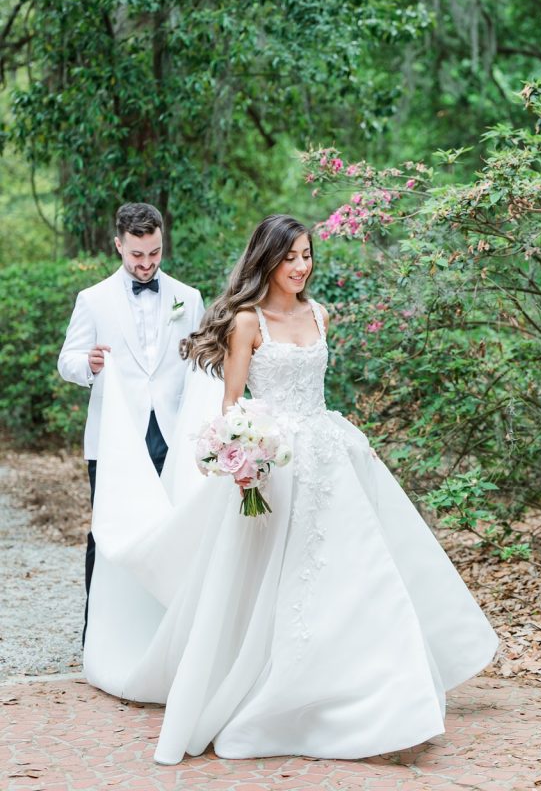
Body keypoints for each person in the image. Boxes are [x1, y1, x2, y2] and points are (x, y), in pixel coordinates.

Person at [82, 214, 498, 765]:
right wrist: (243, 457)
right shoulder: (247, 322)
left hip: (330, 461)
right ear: (268, 260)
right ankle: (276, 695)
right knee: (278, 587)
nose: (302, 267)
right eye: (290, 257)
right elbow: (232, 406)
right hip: (274, 468)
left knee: (361, 573)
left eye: (306, 255)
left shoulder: (321, 314)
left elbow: (316, 393)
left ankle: (386, 697)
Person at [57, 202, 204, 640]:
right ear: (119, 245)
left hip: (173, 434)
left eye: (154, 253)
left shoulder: (188, 297)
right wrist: (88, 364)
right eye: (137, 254)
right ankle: (100, 637)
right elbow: (67, 361)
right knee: (108, 532)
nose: (146, 264)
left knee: (172, 532)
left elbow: (200, 362)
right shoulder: (93, 299)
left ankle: (163, 635)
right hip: (114, 438)